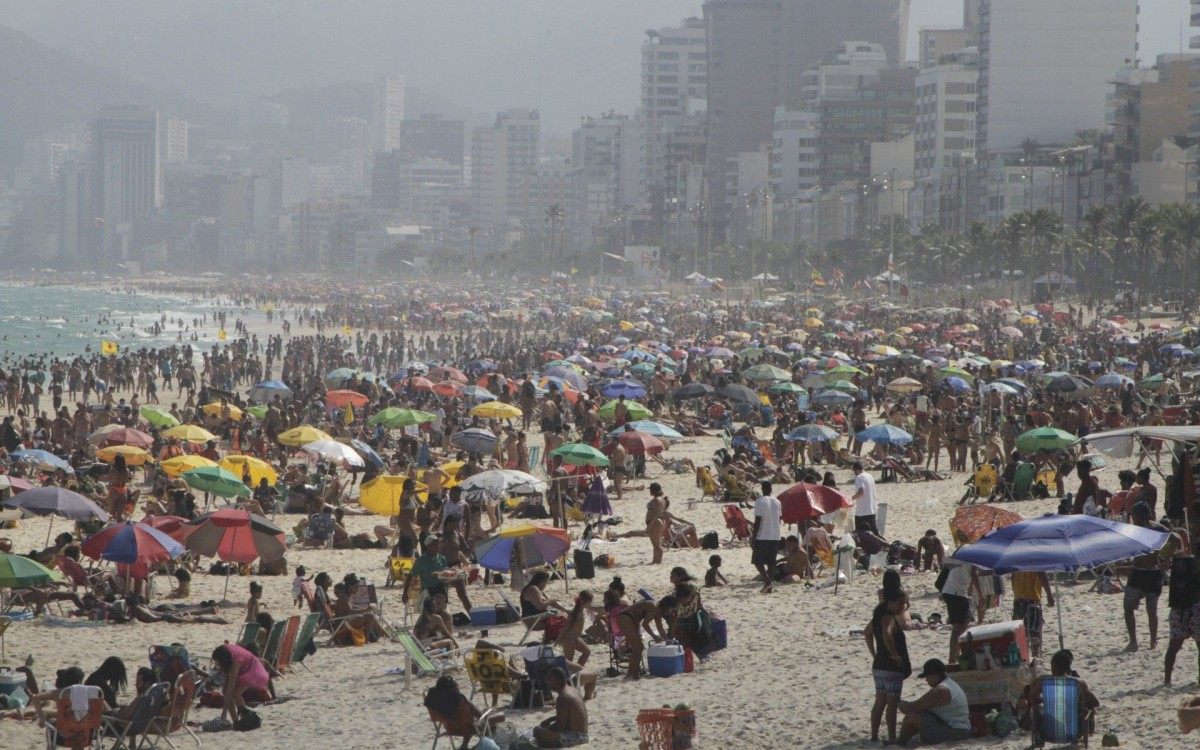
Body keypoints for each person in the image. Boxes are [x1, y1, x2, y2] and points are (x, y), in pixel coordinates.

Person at [865, 586, 910, 744]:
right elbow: (887, 634)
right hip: (891, 667)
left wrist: (874, 653)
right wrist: (895, 655)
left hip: (879, 665)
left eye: (904, 604)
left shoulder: (878, 617)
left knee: (879, 702)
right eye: (900, 604)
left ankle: (874, 736)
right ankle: (892, 737)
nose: (902, 607)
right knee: (892, 704)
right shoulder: (888, 618)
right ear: (890, 603)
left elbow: (867, 632)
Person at [1124, 501, 1171, 652]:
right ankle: (1133, 642)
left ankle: (1153, 641)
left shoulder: (1156, 528)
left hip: (1153, 574)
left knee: (1152, 611)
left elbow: (1176, 538)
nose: (1133, 519)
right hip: (1137, 572)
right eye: (1133, 516)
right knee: (1128, 607)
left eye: (1136, 516)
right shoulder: (1133, 530)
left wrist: (1167, 559)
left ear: (1143, 516)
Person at [897, 659, 972, 745]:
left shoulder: (942, 690)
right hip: (957, 729)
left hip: (956, 732)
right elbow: (921, 705)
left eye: (927, 677)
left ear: (934, 675)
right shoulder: (948, 685)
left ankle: (900, 742)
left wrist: (902, 705)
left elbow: (915, 706)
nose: (926, 680)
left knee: (912, 716)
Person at [423, 674, 504, 750]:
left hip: (450, 728)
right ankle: (485, 744)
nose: (458, 686)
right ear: (453, 687)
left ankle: (464, 746)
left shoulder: (434, 702)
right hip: (470, 729)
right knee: (500, 716)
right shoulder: (460, 700)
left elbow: (436, 718)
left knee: (467, 720)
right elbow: (480, 715)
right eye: (456, 684)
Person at [1164, 548, 1200, 686]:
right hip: (1195, 607)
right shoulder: (1193, 565)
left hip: (1178, 608)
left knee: (1173, 646)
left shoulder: (1179, 564)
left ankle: (1167, 680)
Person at [211, 643, 270, 726]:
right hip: (244, 669)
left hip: (252, 671)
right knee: (225, 691)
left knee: (235, 693)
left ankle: (245, 718)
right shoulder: (226, 652)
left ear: (222, 660)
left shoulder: (236, 660)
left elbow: (231, 686)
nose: (216, 664)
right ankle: (236, 721)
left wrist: (224, 712)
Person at [532, 667, 588, 748]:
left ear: (556, 680)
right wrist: (550, 719)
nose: (547, 681)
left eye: (549, 678)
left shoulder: (563, 698)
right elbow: (568, 715)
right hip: (583, 734)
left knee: (538, 732)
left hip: (576, 737)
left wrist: (546, 729)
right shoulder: (573, 690)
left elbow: (560, 726)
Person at [615, 599, 668, 680]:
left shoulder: (658, 612)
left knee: (638, 648)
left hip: (630, 620)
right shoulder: (654, 607)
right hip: (626, 618)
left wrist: (669, 641)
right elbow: (645, 624)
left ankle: (632, 673)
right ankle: (631, 674)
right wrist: (654, 636)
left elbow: (661, 630)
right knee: (638, 648)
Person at [940, 563, 981, 665]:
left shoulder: (962, 556)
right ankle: (952, 659)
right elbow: (973, 574)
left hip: (951, 591)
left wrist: (970, 588)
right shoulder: (972, 558)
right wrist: (981, 596)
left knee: (961, 625)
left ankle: (955, 657)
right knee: (959, 627)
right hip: (956, 593)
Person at [1010, 571, 1054, 659]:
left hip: (1019, 600)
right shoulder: (1034, 562)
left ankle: (1026, 658)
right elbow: (1041, 573)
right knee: (1033, 634)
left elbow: (1013, 577)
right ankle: (1033, 657)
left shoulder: (1014, 562)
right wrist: (1049, 594)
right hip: (1031, 600)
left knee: (1022, 633)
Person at [751, 481, 782, 594]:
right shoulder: (777, 501)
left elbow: (757, 521)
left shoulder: (759, 501)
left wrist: (753, 537)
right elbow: (779, 519)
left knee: (757, 561)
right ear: (771, 489)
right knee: (771, 562)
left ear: (762, 489)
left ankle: (768, 581)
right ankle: (769, 586)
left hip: (763, 535)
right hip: (775, 535)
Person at [556, 591, 594, 666]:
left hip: (576, 637)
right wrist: (558, 640)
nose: (591, 603)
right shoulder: (576, 612)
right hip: (569, 638)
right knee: (569, 661)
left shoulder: (581, 610)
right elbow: (565, 627)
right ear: (587, 601)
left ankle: (577, 670)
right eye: (591, 601)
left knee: (586, 652)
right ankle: (571, 672)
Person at [851, 462, 879, 536]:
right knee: (875, 533)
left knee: (860, 533)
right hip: (872, 509)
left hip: (862, 511)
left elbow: (861, 492)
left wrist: (851, 499)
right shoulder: (870, 476)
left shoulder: (859, 477)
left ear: (856, 470)